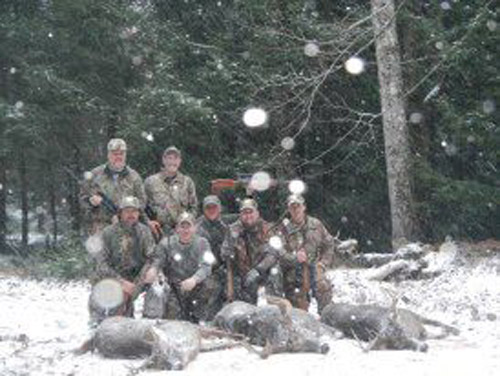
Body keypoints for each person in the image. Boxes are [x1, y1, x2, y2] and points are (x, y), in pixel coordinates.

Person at [89, 196, 158, 324]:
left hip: (136, 278)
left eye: (134, 211)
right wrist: (121, 282)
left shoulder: (144, 232)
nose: (131, 215)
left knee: (158, 287)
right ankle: (98, 323)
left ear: (138, 213)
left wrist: (151, 271)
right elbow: (101, 263)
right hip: (114, 277)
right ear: (120, 213)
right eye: (127, 211)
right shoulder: (108, 233)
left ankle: (151, 321)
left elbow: (153, 256)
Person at [274, 194, 335, 314]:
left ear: (304, 207)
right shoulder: (283, 229)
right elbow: (278, 252)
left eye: (298, 206)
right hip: (293, 270)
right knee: (298, 308)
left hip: (314, 266)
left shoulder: (316, 224)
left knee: (323, 286)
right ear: (288, 209)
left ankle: (326, 316)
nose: (296, 209)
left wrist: (323, 263)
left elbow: (329, 244)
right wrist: (293, 258)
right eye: (292, 207)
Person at [153, 212, 215, 323]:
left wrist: (194, 279)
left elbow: (207, 266)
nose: (185, 230)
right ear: (177, 228)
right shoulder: (166, 244)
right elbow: (157, 262)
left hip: (196, 286)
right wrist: (155, 271)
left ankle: (201, 317)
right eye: (182, 226)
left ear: (195, 228)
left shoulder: (203, 243)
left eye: (189, 226)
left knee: (210, 284)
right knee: (172, 321)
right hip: (174, 287)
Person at [80, 138, 146, 235]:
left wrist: (126, 214)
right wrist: (91, 202)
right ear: (108, 155)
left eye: (121, 153)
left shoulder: (134, 176)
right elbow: (82, 199)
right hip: (100, 229)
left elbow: (142, 202)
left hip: (128, 229)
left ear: (125, 155)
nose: (118, 157)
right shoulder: (95, 174)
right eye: (115, 153)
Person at [220, 198, 279, 304]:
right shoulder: (232, 229)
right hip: (243, 273)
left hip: (263, 271)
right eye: (244, 213)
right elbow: (225, 255)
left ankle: (274, 305)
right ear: (240, 215)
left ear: (257, 213)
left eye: (251, 212)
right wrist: (231, 243)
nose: (248, 216)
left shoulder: (267, 228)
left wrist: (258, 270)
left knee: (276, 271)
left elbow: (273, 254)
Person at [144, 146, 198, 235]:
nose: (172, 162)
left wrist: (186, 224)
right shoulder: (150, 182)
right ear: (163, 160)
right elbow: (142, 206)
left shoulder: (187, 182)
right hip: (158, 230)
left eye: (176, 158)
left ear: (180, 161)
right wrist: (148, 222)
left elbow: (194, 207)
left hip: (182, 232)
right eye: (169, 158)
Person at [195, 195, 229, 318]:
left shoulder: (226, 224)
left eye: (214, 207)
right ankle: (203, 318)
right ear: (204, 210)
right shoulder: (198, 228)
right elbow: (203, 257)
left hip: (225, 267)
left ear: (219, 208)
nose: (211, 210)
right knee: (211, 288)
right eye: (208, 208)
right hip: (206, 269)